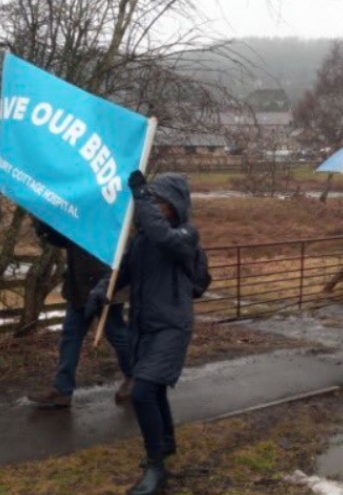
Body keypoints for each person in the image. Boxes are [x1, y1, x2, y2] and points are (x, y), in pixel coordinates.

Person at [89, 170, 199, 495]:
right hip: (144, 326)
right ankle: (165, 442)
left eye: (160, 201)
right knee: (155, 390)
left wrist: (140, 195)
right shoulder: (142, 239)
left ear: (176, 205)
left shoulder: (185, 235)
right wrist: (99, 292)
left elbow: (163, 236)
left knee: (142, 391)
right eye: (153, 200)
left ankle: (156, 468)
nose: (155, 206)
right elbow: (121, 271)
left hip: (171, 326)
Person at [27, 220, 133, 408]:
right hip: (78, 286)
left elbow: (119, 252)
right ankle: (62, 390)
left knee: (116, 333)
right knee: (70, 336)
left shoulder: (108, 213)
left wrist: (108, 286)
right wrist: (42, 225)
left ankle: (134, 378)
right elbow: (63, 239)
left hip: (105, 286)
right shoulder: (78, 216)